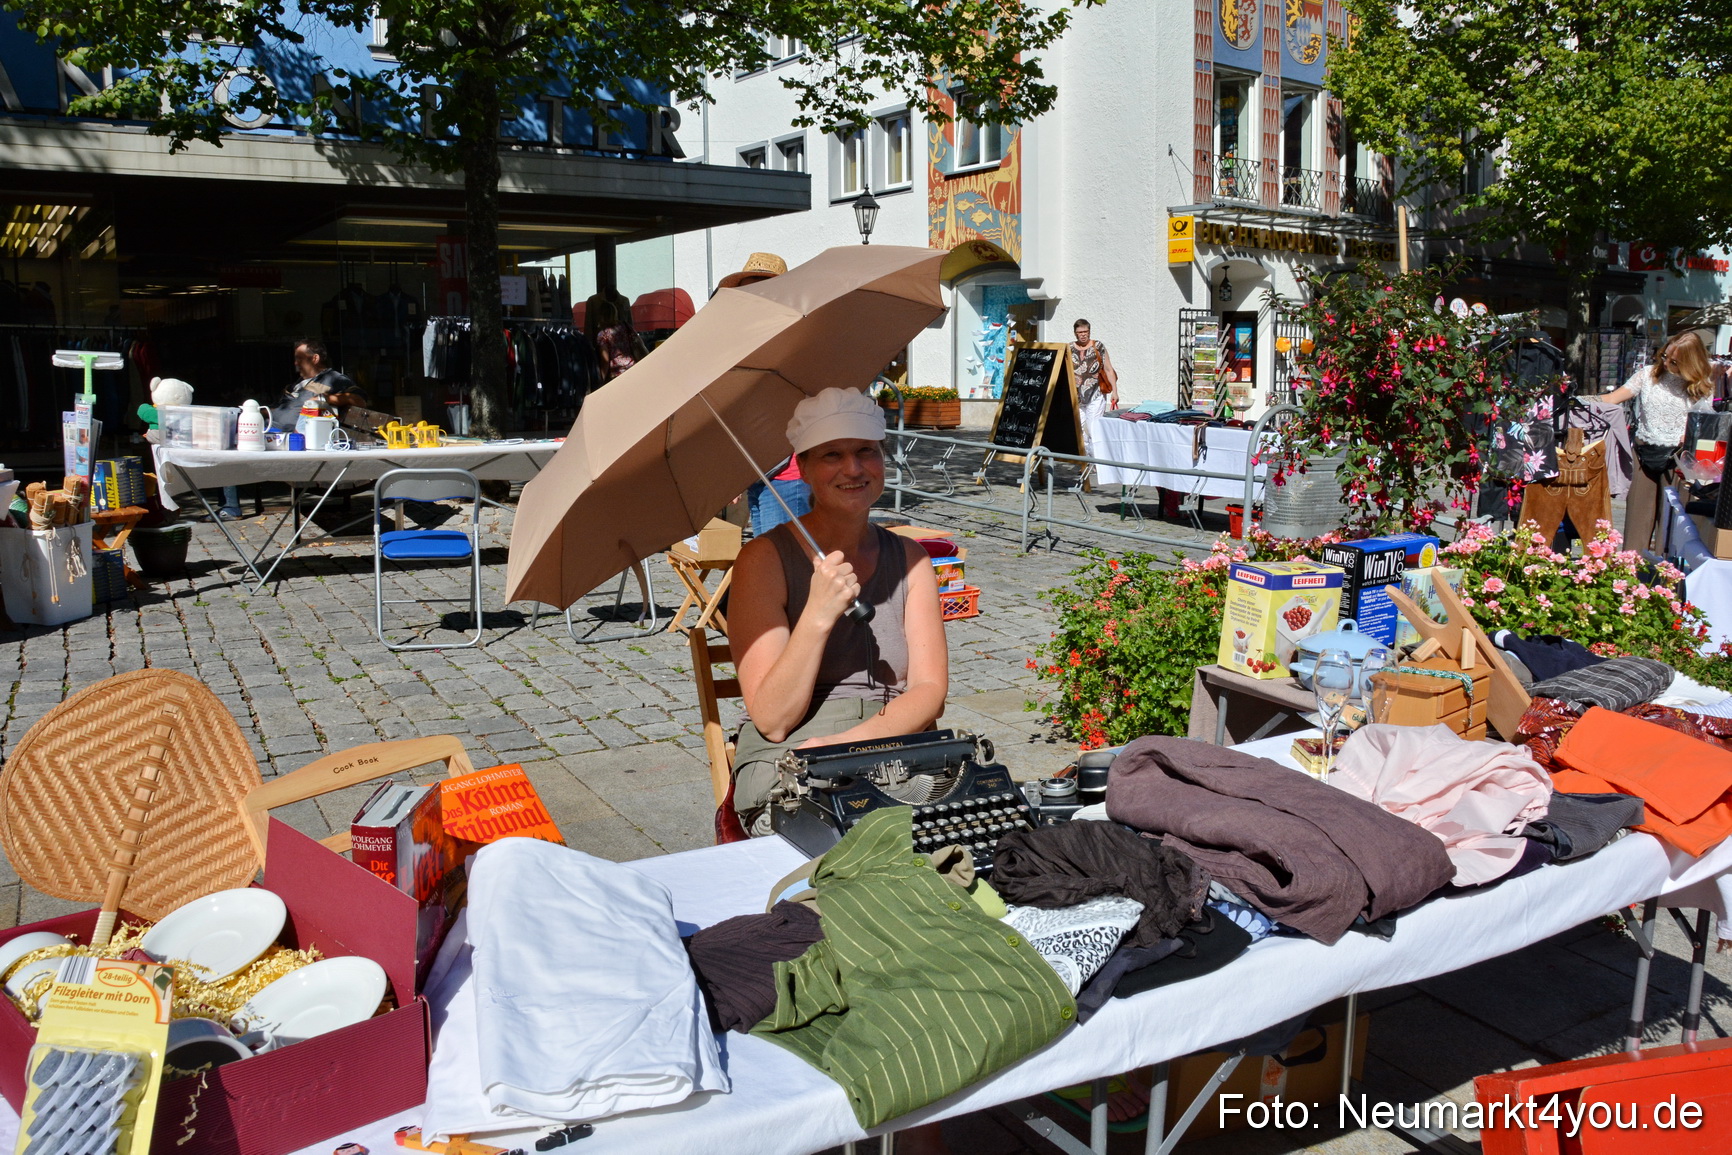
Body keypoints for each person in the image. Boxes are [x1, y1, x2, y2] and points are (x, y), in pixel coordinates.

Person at [726, 387, 949, 837]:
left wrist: (843, 747)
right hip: (792, 766)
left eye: (866, 451)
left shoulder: (911, 559)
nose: (853, 468)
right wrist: (818, 613)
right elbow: (773, 719)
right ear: (803, 468)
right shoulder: (764, 560)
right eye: (831, 455)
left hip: (895, 751)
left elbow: (929, 690)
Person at [1597, 330, 1717, 550]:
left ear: (1689, 362)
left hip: (1677, 460)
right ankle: (1629, 574)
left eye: (1674, 361)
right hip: (1644, 453)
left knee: (1671, 526)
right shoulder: (1648, 374)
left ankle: (1663, 578)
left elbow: (1703, 425)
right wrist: (1579, 401)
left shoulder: (1701, 386)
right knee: (1636, 523)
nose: (1667, 363)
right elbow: (1613, 398)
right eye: (1665, 356)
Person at [270, 339, 366, 430]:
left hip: (295, 436)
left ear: (315, 358)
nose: (295, 363)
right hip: (272, 428)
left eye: (299, 359)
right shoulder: (298, 383)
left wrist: (324, 399)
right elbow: (281, 409)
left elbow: (359, 400)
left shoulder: (333, 379)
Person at [1068, 319, 1118, 456]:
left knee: (1093, 428)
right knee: (1079, 430)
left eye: (1085, 331)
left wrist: (1115, 391)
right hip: (1076, 396)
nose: (1083, 335)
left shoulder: (1098, 346)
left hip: (1095, 394)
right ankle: (1085, 462)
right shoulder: (1069, 348)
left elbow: (1108, 369)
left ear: (1089, 331)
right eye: (1080, 332)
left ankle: (1097, 462)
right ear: (1075, 333)